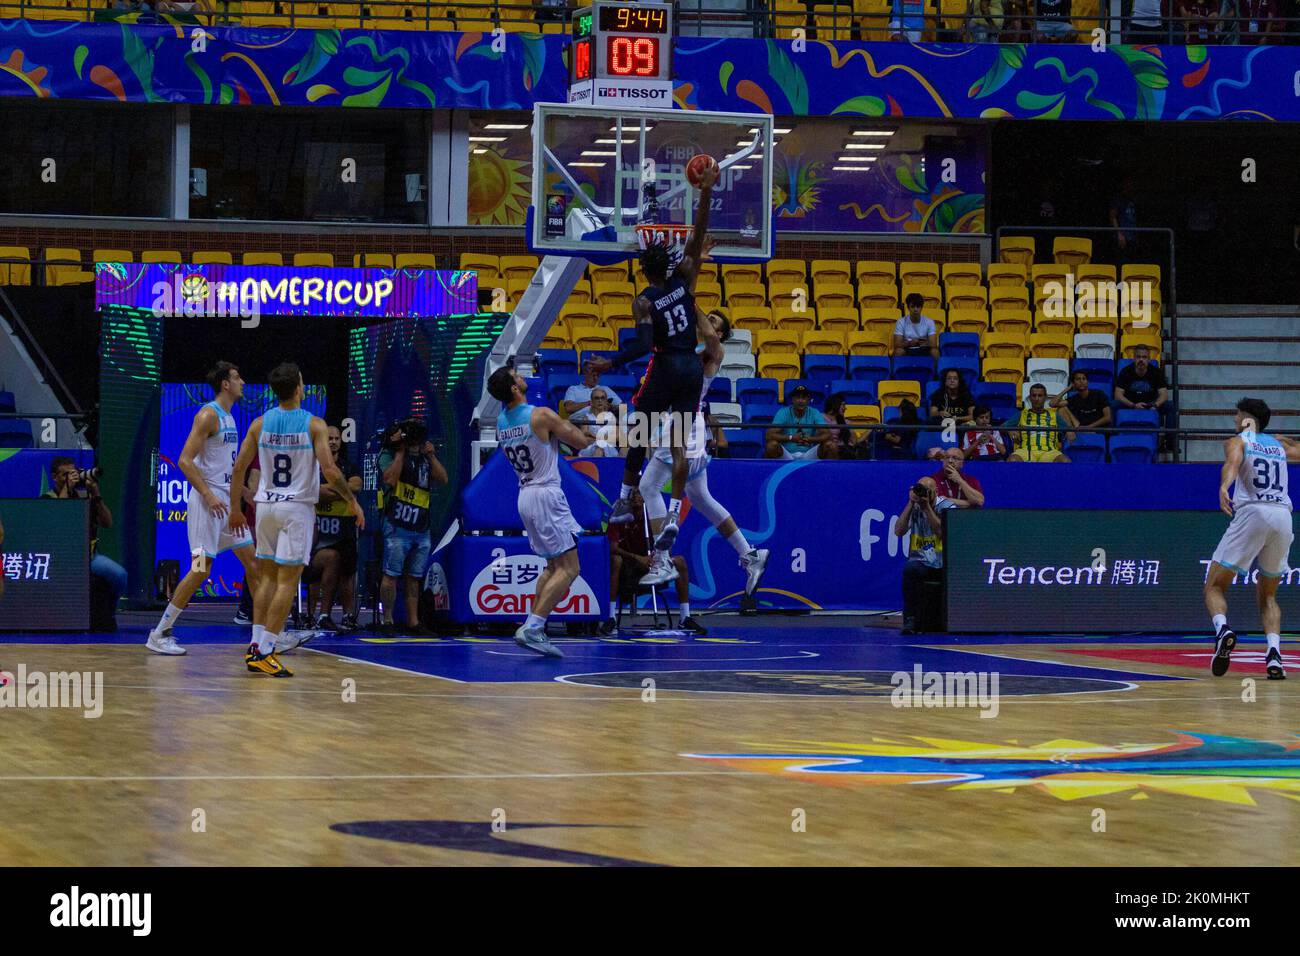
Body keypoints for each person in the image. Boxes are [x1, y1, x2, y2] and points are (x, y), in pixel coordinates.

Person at [585, 161, 719, 554]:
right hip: (691, 367)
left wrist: (610, 362)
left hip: (665, 364)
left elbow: (643, 345)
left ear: (643, 269)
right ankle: (674, 513)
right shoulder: (686, 279)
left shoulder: (644, 300)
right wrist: (706, 192)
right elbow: (697, 236)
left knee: (639, 429)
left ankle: (626, 499)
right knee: (678, 444)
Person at [229, 363, 364, 677]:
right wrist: (352, 501)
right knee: (287, 583)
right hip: (296, 509)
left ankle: (256, 644)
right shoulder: (313, 424)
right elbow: (330, 471)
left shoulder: (260, 424)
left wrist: (236, 508)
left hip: (266, 507)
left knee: (266, 579)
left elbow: (239, 469)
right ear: (299, 387)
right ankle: (266, 650)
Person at [639, 309, 770, 597]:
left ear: (721, 333)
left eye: (715, 322)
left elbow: (705, 336)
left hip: (687, 422)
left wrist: (689, 301)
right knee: (701, 498)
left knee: (648, 486)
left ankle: (662, 560)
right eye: (707, 317)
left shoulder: (714, 350)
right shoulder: (688, 346)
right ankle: (749, 555)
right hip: (675, 420)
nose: (708, 323)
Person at [147, 361, 259, 655]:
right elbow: (184, 460)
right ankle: (160, 633)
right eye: (237, 377)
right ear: (225, 383)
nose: (242, 382)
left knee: (254, 564)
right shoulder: (208, 415)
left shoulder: (230, 418)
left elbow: (224, 467)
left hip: (227, 506)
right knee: (200, 570)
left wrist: (244, 492)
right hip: (206, 506)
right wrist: (208, 495)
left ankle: (266, 637)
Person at [487, 365, 595, 658]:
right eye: (516, 376)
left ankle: (535, 625)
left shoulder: (501, 422)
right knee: (570, 568)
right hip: (546, 493)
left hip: (525, 495)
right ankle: (534, 626)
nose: (522, 377)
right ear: (513, 388)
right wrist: (594, 428)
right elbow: (581, 442)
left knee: (551, 567)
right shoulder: (540, 414)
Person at [1204, 398, 1295, 681]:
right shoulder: (1280, 443)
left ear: (1246, 418)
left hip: (1253, 512)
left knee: (1214, 585)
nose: (1234, 418)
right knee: (1268, 594)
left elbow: (1232, 464)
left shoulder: (1238, 441)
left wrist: (1224, 486)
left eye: (1237, 414)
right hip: (1283, 516)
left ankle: (1223, 630)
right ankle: (1274, 657)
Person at [377, 420, 449, 635]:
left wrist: (431, 455)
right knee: (391, 574)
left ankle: (413, 622)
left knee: (414, 577)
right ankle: (388, 620)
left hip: (421, 527)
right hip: (397, 525)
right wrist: (400, 452)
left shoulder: (426, 459)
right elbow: (389, 479)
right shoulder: (388, 455)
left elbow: (443, 479)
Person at [606, 489, 707, 635]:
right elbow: (612, 547)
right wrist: (636, 557)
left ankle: (685, 618)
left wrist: (655, 558)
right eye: (632, 494)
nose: (635, 497)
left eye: (639, 493)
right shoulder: (618, 515)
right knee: (615, 560)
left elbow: (667, 545)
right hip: (628, 567)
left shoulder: (653, 517)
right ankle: (611, 618)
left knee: (679, 562)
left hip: (652, 565)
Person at [43, 457, 127, 630]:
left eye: (73, 473)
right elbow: (60, 522)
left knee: (119, 575)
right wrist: (66, 489)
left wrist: (96, 493)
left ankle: (109, 613)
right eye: (65, 474)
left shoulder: (84, 497)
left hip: (89, 557)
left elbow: (107, 522)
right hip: (61, 558)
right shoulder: (48, 497)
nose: (71, 478)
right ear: (54, 477)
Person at [304, 424, 363, 631]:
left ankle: (347, 616)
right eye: (329, 438)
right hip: (318, 536)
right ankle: (313, 615)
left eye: (337, 438)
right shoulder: (312, 467)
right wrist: (343, 489)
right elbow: (314, 491)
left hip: (344, 532)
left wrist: (334, 488)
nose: (333, 441)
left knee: (347, 573)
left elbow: (356, 485)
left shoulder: (349, 465)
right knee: (316, 577)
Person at [894, 476, 957, 634]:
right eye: (919, 489)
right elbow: (899, 531)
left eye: (927, 491)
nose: (923, 494)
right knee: (910, 569)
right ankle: (910, 620)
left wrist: (927, 507)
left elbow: (943, 533)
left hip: (944, 561)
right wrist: (911, 503)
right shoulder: (914, 506)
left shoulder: (947, 506)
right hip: (921, 561)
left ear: (935, 492)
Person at [766, 384, 837, 460]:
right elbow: (769, 435)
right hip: (787, 455)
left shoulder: (814, 412)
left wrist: (810, 439)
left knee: (831, 445)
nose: (801, 400)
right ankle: (775, 472)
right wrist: (791, 438)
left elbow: (827, 434)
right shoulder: (783, 412)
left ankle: (829, 472)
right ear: (792, 399)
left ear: (808, 400)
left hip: (808, 454)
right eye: (798, 397)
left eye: (804, 397)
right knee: (771, 445)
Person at [1007, 384, 1072, 463]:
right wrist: (1010, 430)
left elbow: (1069, 430)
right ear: (1030, 398)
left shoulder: (1054, 415)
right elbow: (1003, 427)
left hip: (1050, 452)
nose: (1036, 399)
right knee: (1012, 460)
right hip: (1026, 451)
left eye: (1040, 396)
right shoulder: (1022, 414)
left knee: (1065, 461)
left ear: (1045, 397)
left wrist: (1069, 432)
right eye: (1034, 395)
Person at [892, 293, 940, 361]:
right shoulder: (901, 322)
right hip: (907, 349)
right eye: (912, 306)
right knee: (898, 352)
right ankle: (895, 371)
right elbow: (897, 344)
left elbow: (934, 344)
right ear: (908, 308)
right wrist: (910, 343)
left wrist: (924, 343)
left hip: (924, 349)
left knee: (935, 352)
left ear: (921, 308)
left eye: (918, 307)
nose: (915, 309)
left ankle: (936, 371)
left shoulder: (929, 322)